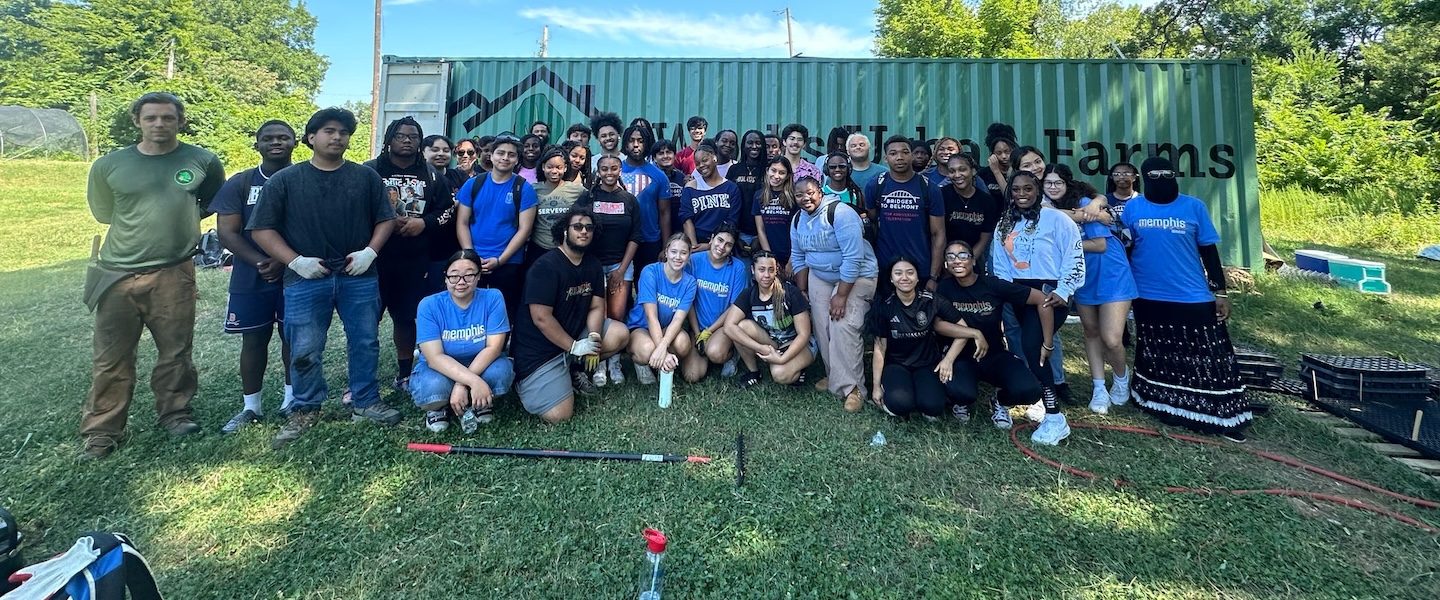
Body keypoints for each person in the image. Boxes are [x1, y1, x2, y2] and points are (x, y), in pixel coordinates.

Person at [79, 92, 226, 460]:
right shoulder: (109, 165)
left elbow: (211, 201)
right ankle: (102, 432)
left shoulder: (202, 160)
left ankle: (175, 414)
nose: (159, 124)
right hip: (116, 273)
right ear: (137, 122)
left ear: (181, 121)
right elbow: (104, 212)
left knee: (176, 351)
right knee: (111, 358)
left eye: (167, 118)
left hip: (174, 271)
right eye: (151, 118)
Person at [249, 106, 400, 449]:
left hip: (358, 274)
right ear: (311, 138)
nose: (337, 137)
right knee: (304, 348)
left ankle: (365, 402)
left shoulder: (365, 178)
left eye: (343, 132)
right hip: (306, 278)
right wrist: (295, 261)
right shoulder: (286, 180)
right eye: (329, 131)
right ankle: (305, 409)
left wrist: (371, 252)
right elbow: (262, 229)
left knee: (365, 341)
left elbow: (386, 219)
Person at [1121, 157, 1250, 441]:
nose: (1162, 179)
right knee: (1155, 350)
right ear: (1143, 178)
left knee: (1207, 354)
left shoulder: (1193, 207)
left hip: (1192, 295)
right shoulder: (1133, 208)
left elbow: (1209, 252)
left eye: (1167, 174)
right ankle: (1156, 401)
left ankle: (1218, 414)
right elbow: (1126, 249)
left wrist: (1219, 292)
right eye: (1154, 174)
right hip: (1147, 294)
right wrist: (1125, 291)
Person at [215, 121, 300, 434]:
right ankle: (251, 407)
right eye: (268, 138)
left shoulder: (305, 178)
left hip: (296, 272)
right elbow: (227, 232)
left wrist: (285, 259)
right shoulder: (240, 182)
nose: (275, 143)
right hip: (252, 274)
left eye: (283, 138)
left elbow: (314, 226)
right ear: (257, 145)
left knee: (294, 338)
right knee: (253, 340)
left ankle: (292, 401)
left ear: (296, 143)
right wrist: (262, 261)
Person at [510, 207, 629, 422]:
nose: (583, 231)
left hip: (572, 337)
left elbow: (595, 306)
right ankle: (524, 384)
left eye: (589, 228)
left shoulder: (592, 264)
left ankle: (572, 367)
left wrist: (593, 336)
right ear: (565, 231)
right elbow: (541, 318)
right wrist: (574, 347)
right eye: (577, 226)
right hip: (538, 350)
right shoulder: (545, 267)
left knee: (619, 333)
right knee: (559, 415)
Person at [991, 170, 1084, 445]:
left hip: (1051, 292)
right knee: (1029, 348)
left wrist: (1064, 290)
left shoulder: (1057, 220)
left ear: (1038, 190)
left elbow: (1074, 256)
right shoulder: (1005, 223)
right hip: (1020, 293)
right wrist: (1009, 291)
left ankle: (1055, 417)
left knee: (1035, 346)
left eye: (1028, 189)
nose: (1021, 195)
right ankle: (1043, 405)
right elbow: (1000, 264)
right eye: (1016, 190)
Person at [364, 117, 453, 390]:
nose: (407, 140)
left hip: (414, 260)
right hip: (375, 259)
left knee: (405, 317)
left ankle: (405, 374)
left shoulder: (432, 174)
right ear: (389, 138)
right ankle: (362, 379)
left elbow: (447, 211)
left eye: (413, 136)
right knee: (367, 322)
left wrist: (422, 223)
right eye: (400, 136)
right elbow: (354, 211)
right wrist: (383, 226)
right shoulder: (369, 171)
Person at [1042, 165, 1137, 415]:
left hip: (1111, 273)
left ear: (1067, 183)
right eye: (1048, 183)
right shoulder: (1047, 208)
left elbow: (1099, 245)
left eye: (1057, 182)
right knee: (1091, 331)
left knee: (1112, 338)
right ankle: (1098, 388)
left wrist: (1066, 246)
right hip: (1082, 276)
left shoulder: (1085, 203)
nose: (1053, 187)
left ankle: (1120, 378)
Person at [935, 241, 1050, 429]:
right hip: (961, 357)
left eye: (963, 255)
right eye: (951, 256)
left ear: (973, 260)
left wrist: (1047, 341)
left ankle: (1000, 401)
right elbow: (938, 325)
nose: (957, 261)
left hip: (994, 354)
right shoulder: (945, 288)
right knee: (961, 392)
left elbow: (1041, 299)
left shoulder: (992, 285)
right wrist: (974, 333)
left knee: (1030, 390)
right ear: (946, 264)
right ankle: (961, 402)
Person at [791, 176, 878, 412]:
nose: (805, 198)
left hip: (857, 275)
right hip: (820, 275)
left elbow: (853, 257)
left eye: (809, 192)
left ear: (819, 191)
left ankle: (854, 388)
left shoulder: (840, 213)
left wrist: (840, 296)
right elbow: (798, 256)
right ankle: (835, 376)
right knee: (822, 325)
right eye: (799, 195)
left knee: (843, 325)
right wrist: (802, 289)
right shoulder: (798, 219)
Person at [410, 250, 514, 432]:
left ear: (478, 276)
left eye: (469, 276)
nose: (461, 282)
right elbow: (434, 358)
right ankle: (438, 407)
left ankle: (478, 401)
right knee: (432, 387)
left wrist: (462, 383)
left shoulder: (493, 298)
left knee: (499, 373)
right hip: (440, 368)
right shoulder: (429, 305)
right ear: (445, 278)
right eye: (454, 276)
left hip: (481, 363)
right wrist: (473, 382)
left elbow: (494, 347)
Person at [868, 256, 978, 419]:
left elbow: (962, 330)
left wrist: (948, 359)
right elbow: (879, 348)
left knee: (933, 407)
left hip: (927, 364)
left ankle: (922, 397)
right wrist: (876, 386)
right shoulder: (885, 306)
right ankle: (895, 394)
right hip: (897, 364)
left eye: (910, 273)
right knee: (899, 405)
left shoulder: (932, 300)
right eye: (898, 273)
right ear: (891, 279)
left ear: (918, 277)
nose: (904, 277)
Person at [576, 155, 643, 387]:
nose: (609, 172)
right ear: (598, 171)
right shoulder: (588, 197)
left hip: (620, 265)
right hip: (592, 265)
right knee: (597, 317)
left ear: (620, 169)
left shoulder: (629, 200)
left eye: (614, 168)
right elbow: (577, 230)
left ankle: (613, 362)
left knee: (616, 316)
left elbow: (635, 237)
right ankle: (599, 365)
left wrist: (622, 269)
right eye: (604, 169)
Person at [456, 135, 538, 318]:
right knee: (470, 310)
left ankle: (499, 347)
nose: (505, 158)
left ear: (517, 159)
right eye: (500, 153)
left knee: (503, 312)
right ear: (491, 156)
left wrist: (500, 259)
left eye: (511, 154)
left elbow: (525, 230)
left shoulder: (523, 188)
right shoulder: (473, 184)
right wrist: (470, 255)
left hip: (508, 263)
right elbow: (462, 222)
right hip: (473, 260)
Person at [865, 135, 945, 295]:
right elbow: (871, 219)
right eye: (893, 153)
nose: (899, 157)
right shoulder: (875, 185)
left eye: (905, 152)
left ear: (912, 155)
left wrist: (933, 276)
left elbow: (939, 234)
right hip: (884, 268)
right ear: (886, 158)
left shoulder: (929, 188)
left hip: (920, 268)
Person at [721, 250, 813, 387]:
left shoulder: (789, 292)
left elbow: (804, 334)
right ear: (752, 270)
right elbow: (728, 326)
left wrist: (782, 359)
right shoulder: (749, 294)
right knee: (740, 327)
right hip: (772, 341)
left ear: (776, 270)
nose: (766, 275)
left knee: (780, 374)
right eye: (761, 270)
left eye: (771, 270)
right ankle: (754, 372)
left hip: (796, 342)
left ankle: (799, 369)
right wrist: (761, 348)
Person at [627, 234, 704, 384]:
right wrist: (662, 347)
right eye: (674, 251)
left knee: (683, 343)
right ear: (666, 252)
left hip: (665, 327)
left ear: (689, 256)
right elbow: (651, 317)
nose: (678, 257)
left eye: (683, 253)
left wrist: (663, 346)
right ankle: (641, 364)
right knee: (647, 349)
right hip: (641, 327)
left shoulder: (690, 282)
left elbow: (678, 319)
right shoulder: (650, 272)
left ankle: (663, 360)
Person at [686, 223, 750, 377]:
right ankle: (703, 348)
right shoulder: (693, 261)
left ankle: (732, 354)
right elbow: (688, 301)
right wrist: (697, 333)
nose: (722, 247)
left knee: (715, 353)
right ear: (712, 239)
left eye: (728, 245)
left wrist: (709, 331)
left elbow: (734, 307)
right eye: (719, 240)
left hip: (723, 326)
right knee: (691, 375)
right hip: (697, 326)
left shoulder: (737, 268)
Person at [620, 123, 673, 270]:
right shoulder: (615, 171)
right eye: (631, 140)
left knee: (647, 286)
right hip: (620, 240)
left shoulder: (659, 176)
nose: (636, 145)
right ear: (625, 144)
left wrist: (665, 246)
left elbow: (665, 213)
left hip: (649, 240)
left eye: (641, 141)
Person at [679, 143, 744, 257]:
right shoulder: (690, 187)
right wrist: (695, 247)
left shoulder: (731, 188)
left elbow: (732, 221)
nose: (701, 166)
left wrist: (712, 245)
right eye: (697, 163)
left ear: (714, 158)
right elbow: (686, 219)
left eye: (704, 160)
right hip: (697, 243)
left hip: (722, 245)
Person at [530, 147, 585, 270]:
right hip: (539, 248)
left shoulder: (577, 190)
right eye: (550, 167)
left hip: (565, 248)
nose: (554, 171)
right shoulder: (533, 189)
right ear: (543, 167)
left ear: (565, 168)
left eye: (559, 168)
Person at [940, 153, 998, 265]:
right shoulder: (941, 196)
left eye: (962, 170)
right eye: (952, 171)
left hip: (974, 260)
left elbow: (984, 238)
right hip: (945, 261)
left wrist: (968, 262)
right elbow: (937, 234)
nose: (957, 175)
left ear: (973, 171)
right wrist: (948, 262)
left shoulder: (986, 201)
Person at [424, 135, 463, 295]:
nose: (441, 154)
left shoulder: (460, 176)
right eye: (435, 150)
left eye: (446, 150)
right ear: (423, 152)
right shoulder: (420, 178)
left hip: (452, 247)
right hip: (425, 249)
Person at [753, 156, 797, 274]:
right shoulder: (759, 196)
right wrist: (770, 258)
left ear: (787, 176)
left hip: (792, 255)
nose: (776, 176)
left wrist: (791, 261)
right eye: (773, 170)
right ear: (767, 171)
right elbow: (760, 230)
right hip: (770, 255)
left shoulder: (794, 197)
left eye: (782, 173)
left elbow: (799, 231)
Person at [725, 129, 768, 250]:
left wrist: (760, 237)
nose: (754, 146)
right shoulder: (734, 169)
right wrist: (734, 235)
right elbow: (727, 202)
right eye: (750, 143)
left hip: (764, 234)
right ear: (744, 146)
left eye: (758, 143)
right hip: (739, 233)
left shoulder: (769, 169)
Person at [651, 139, 687, 236]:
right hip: (657, 231)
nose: (665, 156)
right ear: (654, 158)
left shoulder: (682, 177)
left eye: (669, 152)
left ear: (675, 156)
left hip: (679, 230)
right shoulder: (651, 178)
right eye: (661, 153)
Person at [979, 123, 1016, 196]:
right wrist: (995, 170)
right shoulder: (983, 175)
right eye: (999, 153)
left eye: (1007, 152)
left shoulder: (1019, 171)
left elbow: (1010, 198)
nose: (1004, 156)